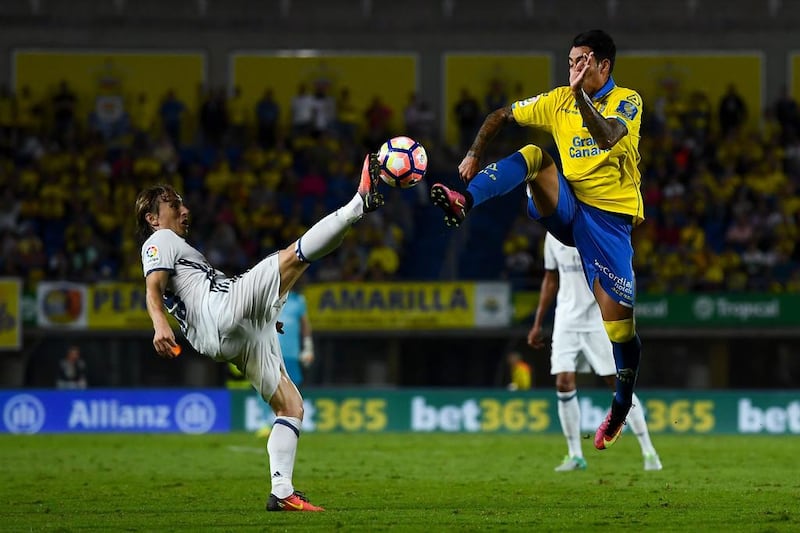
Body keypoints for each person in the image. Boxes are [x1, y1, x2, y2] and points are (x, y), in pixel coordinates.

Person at [430, 30, 644, 451]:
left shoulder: (629, 100)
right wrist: (475, 152)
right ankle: (464, 202)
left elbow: (605, 136)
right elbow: (499, 115)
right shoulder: (557, 100)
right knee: (534, 156)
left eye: (582, 61)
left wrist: (579, 94)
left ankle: (620, 406)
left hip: (609, 224)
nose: (574, 69)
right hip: (570, 208)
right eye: (570, 61)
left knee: (620, 330)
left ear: (604, 65)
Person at [137, 153, 386, 512]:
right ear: (152, 217)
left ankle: (282, 491)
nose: (185, 210)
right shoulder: (159, 239)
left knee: (291, 406)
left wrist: (263, 319)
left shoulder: (181, 248)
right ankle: (357, 205)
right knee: (292, 258)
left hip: (220, 336)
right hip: (220, 313)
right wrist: (159, 323)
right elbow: (153, 287)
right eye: (174, 204)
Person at [528, 233, 662, 471]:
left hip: (597, 320)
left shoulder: (593, 230)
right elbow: (550, 280)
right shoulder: (551, 236)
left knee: (618, 384)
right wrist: (538, 322)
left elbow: (624, 272)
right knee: (563, 381)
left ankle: (649, 451)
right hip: (566, 320)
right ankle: (575, 455)